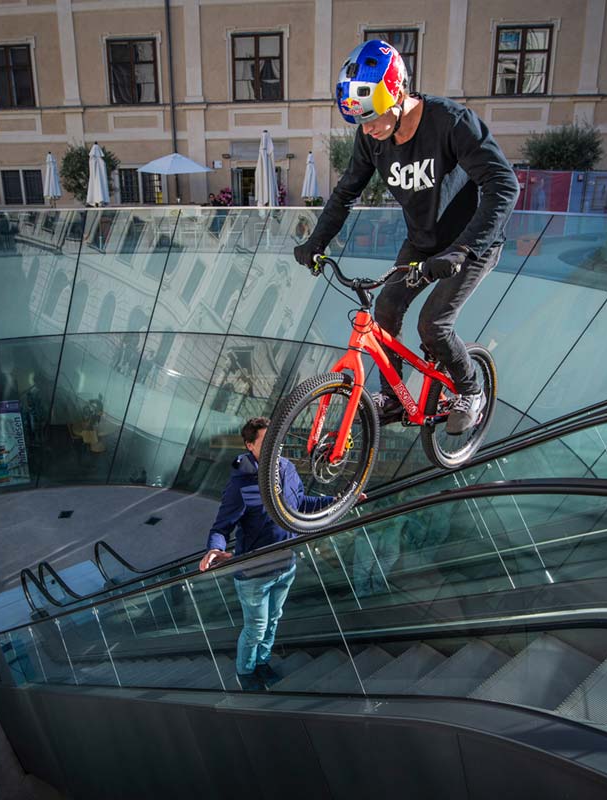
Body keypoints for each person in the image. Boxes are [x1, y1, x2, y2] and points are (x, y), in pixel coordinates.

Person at [293, 40, 520, 435]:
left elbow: (504, 185)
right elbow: (347, 191)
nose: (370, 131)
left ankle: (471, 390)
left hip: (472, 243)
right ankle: (393, 397)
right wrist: (317, 242)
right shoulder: (370, 137)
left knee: (433, 324)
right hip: (422, 242)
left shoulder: (451, 123)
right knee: (385, 311)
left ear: (398, 93)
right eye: (362, 123)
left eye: (376, 118)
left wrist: (465, 249)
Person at [198, 416, 332, 691]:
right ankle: (245, 672)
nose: (276, 445)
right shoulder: (241, 484)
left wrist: (337, 501)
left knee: (273, 621)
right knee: (256, 628)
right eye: (267, 441)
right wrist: (215, 548)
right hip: (254, 574)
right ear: (250, 445)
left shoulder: (288, 468)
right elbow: (222, 526)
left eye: (277, 438)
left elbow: (301, 504)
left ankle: (262, 662)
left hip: (285, 566)